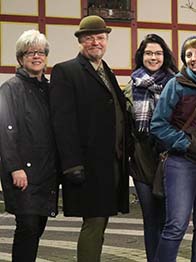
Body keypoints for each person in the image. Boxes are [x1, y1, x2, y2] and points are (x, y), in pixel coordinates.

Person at [49, 15, 131, 261]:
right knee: (94, 222)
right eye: (90, 38)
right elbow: (62, 122)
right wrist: (71, 164)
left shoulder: (106, 70)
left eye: (101, 37)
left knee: (101, 220)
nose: (96, 42)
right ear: (81, 41)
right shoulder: (66, 71)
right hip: (87, 164)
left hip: (110, 163)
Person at [150, 35, 196, 262]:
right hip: (183, 163)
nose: (194, 58)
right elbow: (158, 124)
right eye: (188, 54)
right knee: (176, 225)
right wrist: (185, 143)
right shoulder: (177, 84)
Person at [0, 29, 58, 262]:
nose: (36, 56)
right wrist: (15, 167)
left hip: (46, 172)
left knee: (37, 227)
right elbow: (4, 130)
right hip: (22, 172)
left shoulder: (50, 88)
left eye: (40, 52)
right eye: (29, 52)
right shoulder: (10, 89)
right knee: (28, 226)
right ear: (20, 58)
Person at [124, 33, 178, 262]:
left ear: (164, 56)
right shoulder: (131, 85)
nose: (153, 57)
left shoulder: (176, 83)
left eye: (157, 53)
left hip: (169, 157)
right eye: (148, 53)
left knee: (168, 218)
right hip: (141, 157)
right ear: (141, 56)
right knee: (150, 218)